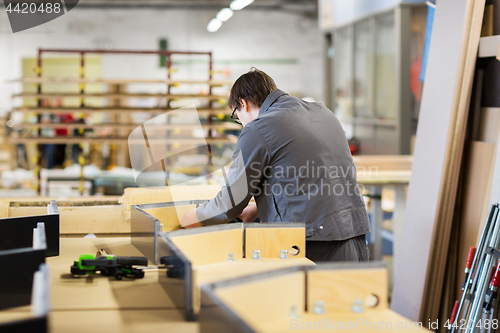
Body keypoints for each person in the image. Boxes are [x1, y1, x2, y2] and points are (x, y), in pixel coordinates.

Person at [180, 68, 370, 262]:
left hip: (312, 244)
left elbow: (229, 204)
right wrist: (258, 209)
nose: (241, 124)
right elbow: (310, 176)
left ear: (243, 105)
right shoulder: (323, 112)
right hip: (356, 234)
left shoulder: (259, 127)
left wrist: (193, 217)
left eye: (236, 117)